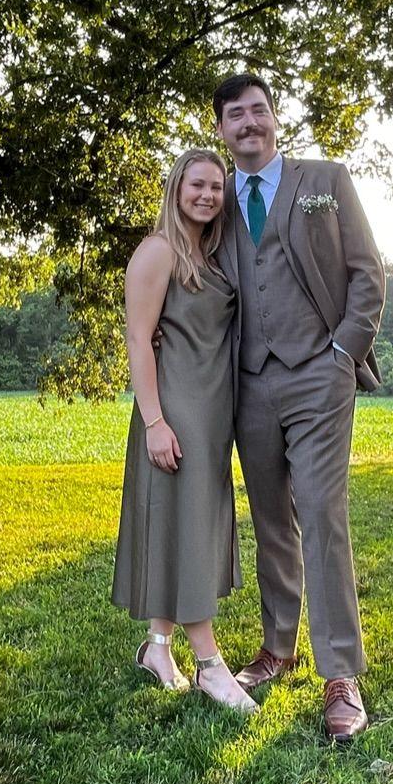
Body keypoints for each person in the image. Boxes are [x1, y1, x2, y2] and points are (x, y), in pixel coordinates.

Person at [212, 71, 386, 744]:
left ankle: (340, 673)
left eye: (258, 110)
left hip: (319, 372)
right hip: (247, 379)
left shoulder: (326, 180)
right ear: (221, 129)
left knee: (320, 513)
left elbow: (367, 269)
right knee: (270, 520)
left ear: (274, 117)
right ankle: (277, 647)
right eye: (235, 114)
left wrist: (344, 351)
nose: (248, 122)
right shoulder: (214, 196)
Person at [111, 148, 255, 712]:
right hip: (174, 411)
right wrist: (154, 421)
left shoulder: (211, 254)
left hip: (213, 413)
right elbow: (139, 339)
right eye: (197, 184)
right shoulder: (157, 251)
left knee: (182, 526)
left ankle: (158, 646)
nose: (207, 195)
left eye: (216, 187)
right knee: (190, 532)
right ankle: (211, 667)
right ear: (176, 188)